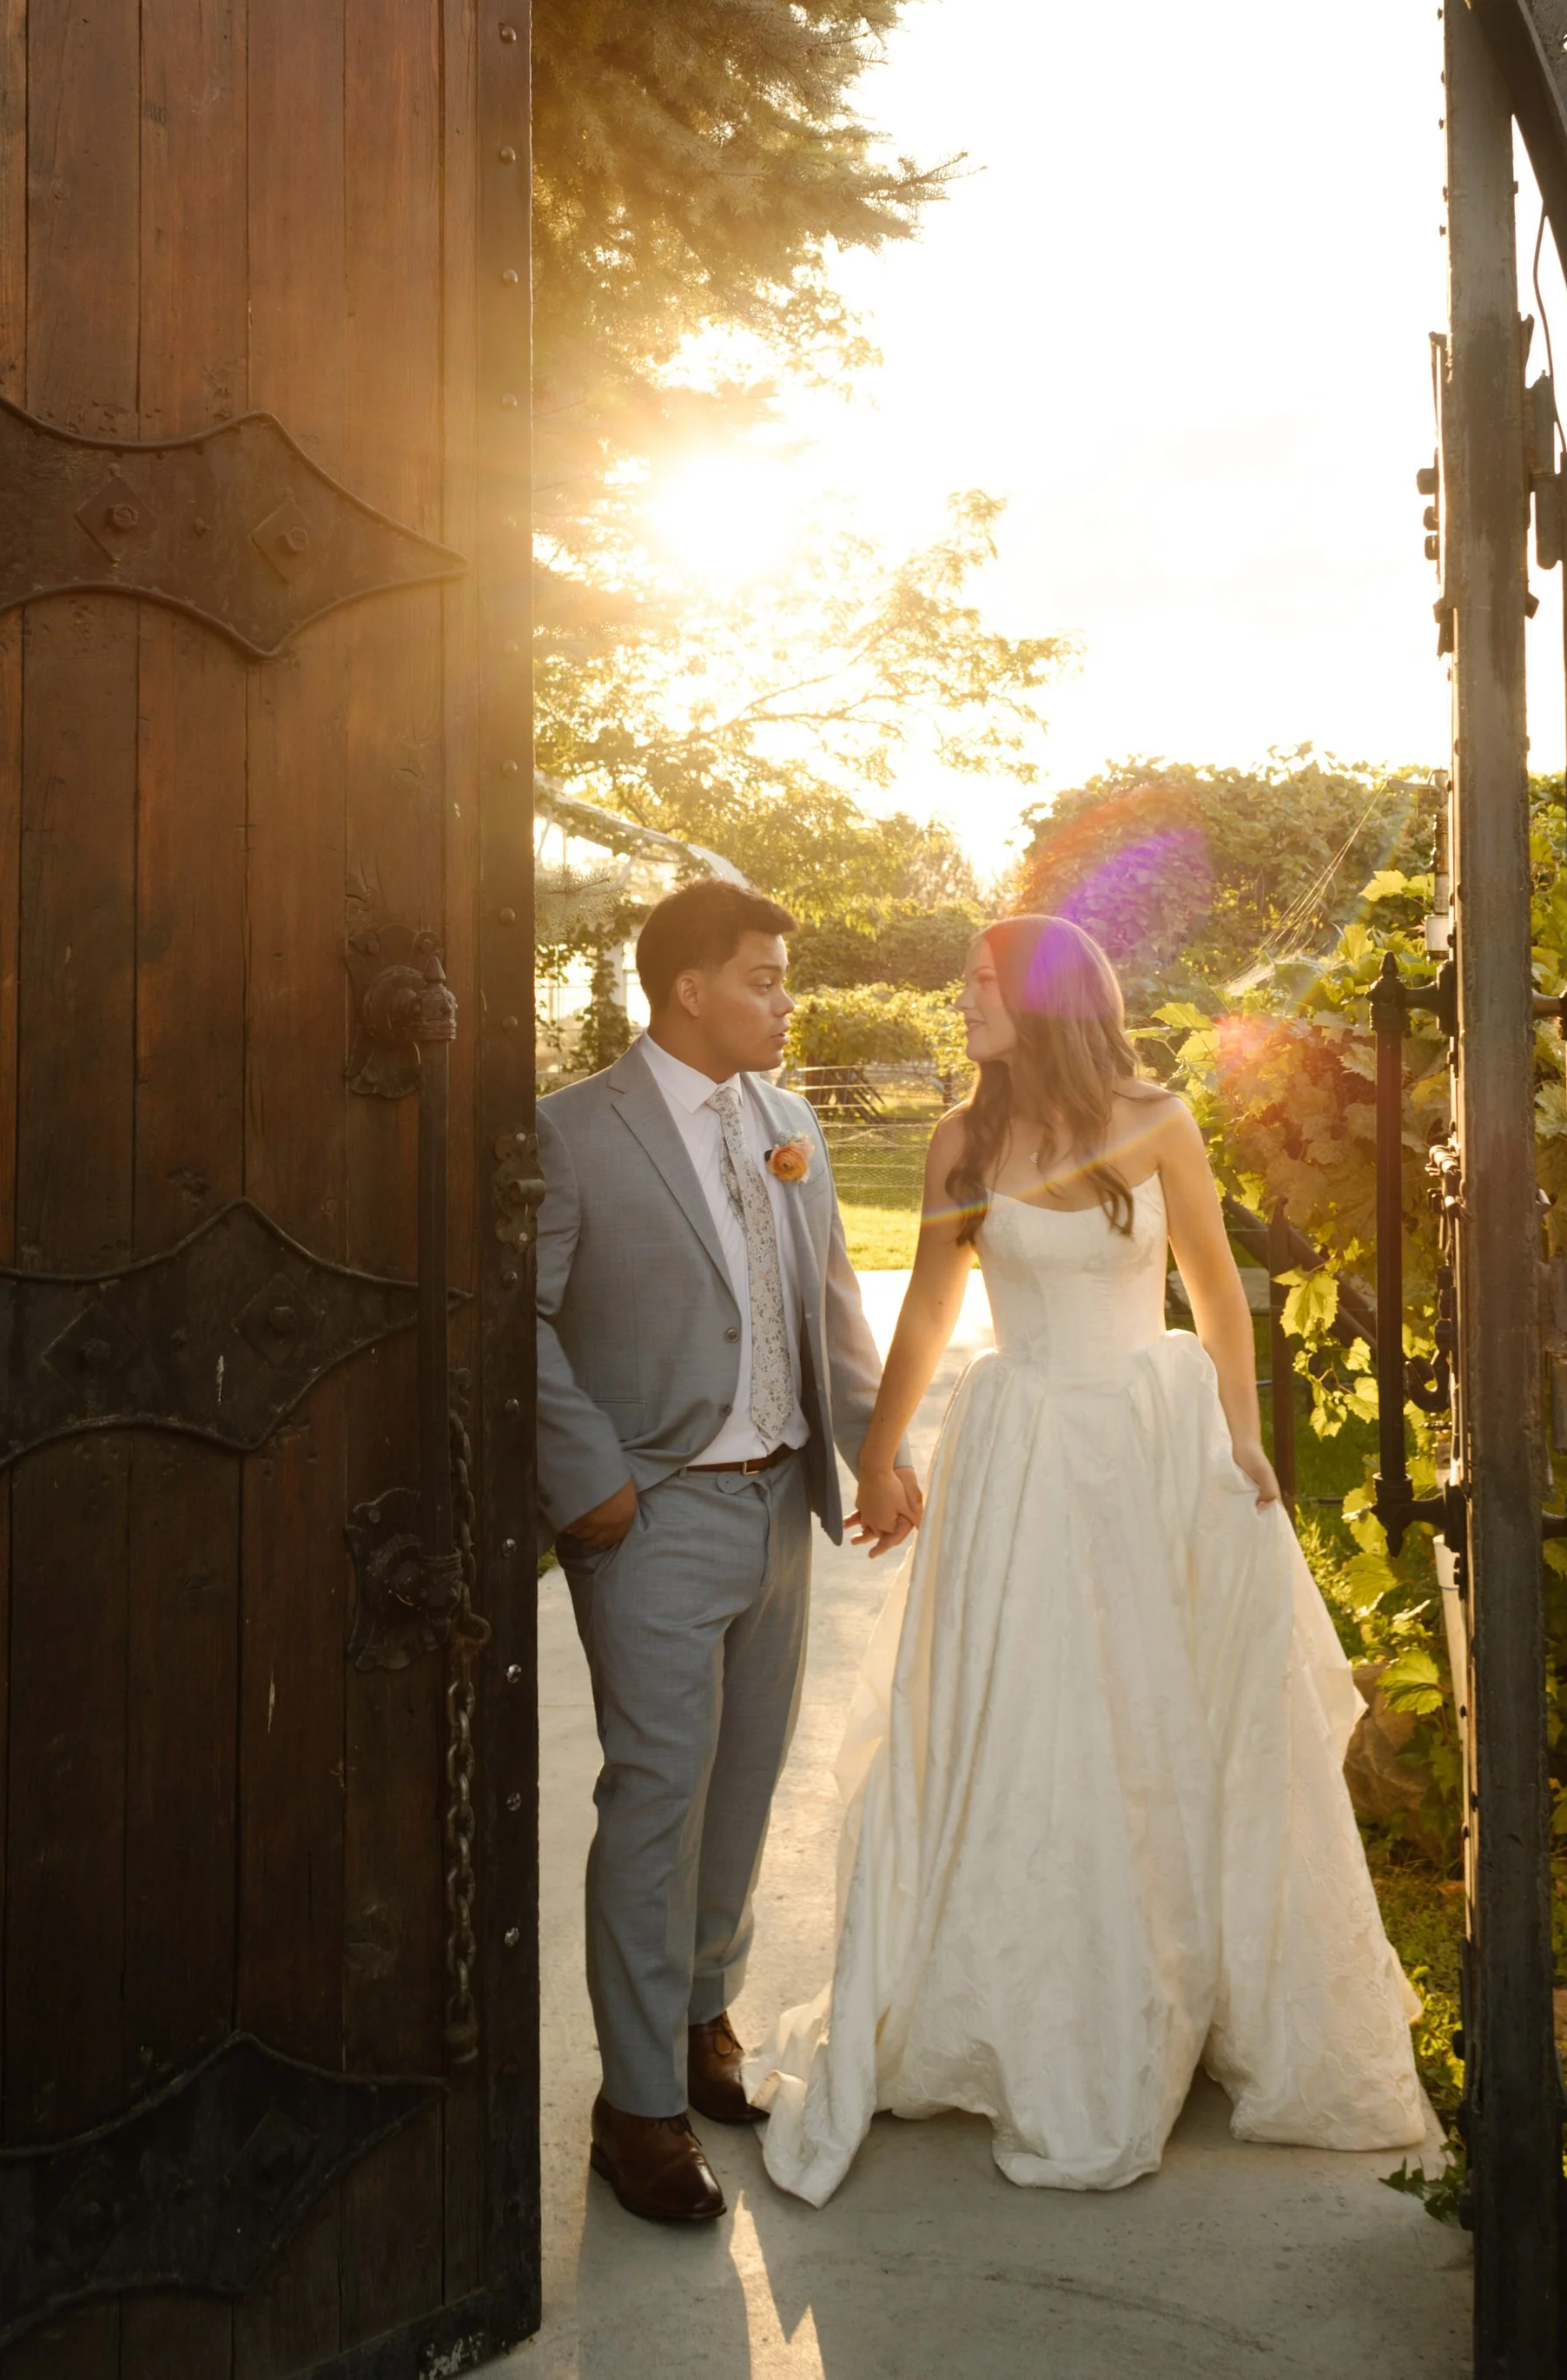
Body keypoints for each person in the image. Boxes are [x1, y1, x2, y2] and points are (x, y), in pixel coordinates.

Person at [749, 912, 1433, 2201]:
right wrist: (881, 1456)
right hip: (1020, 1450)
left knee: (1159, 1720)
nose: (962, 1003)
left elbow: (1219, 1290)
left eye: (980, 985)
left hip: (1148, 1440)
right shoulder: (967, 1138)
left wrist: (1240, 1437)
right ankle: (1026, 1999)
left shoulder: (1156, 1116)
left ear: (1052, 998)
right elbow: (935, 1308)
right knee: (1025, 1719)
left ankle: (1178, 1990)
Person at [534, 877, 921, 2225]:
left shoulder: (791, 1123)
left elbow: (833, 1309)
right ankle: (633, 2108)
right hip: (651, 1515)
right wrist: (594, 1489)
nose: (784, 998)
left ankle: (703, 2022)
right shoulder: (570, 1132)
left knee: (745, 1785)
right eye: (763, 976)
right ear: (688, 986)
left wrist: (872, 1451)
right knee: (656, 1798)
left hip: (777, 1509)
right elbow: (514, 1316)